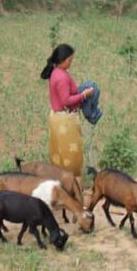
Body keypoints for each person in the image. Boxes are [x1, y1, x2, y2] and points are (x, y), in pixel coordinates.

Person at [40, 44, 94, 177]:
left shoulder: (56, 72)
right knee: (71, 156)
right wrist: (83, 95)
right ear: (63, 60)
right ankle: (72, 184)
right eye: (70, 60)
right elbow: (66, 101)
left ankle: (59, 181)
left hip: (57, 118)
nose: (71, 62)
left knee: (59, 154)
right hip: (65, 121)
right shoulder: (62, 77)